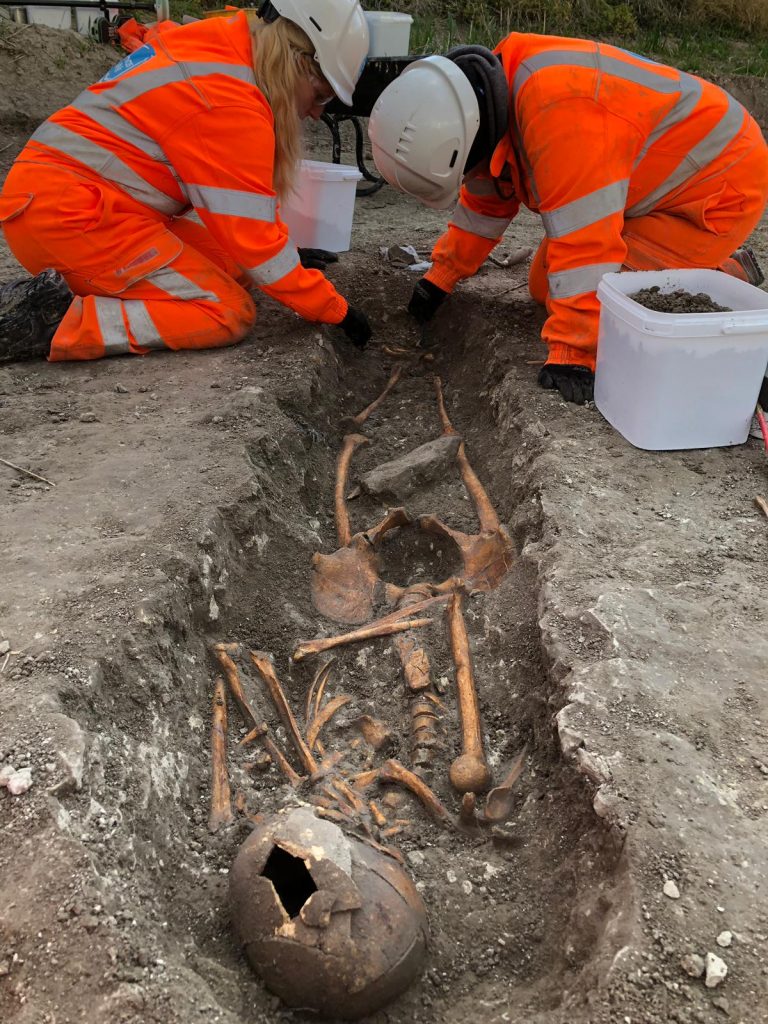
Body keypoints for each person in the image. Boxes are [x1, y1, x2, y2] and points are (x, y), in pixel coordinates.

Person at [367, 39, 768, 403]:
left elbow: (587, 245)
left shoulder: (562, 117)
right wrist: (442, 276)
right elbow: (487, 200)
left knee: (612, 311)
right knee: (545, 285)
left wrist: (573, 354)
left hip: (714, 190)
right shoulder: (483, 94)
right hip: (648, 188)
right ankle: (695, 270)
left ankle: (722, 274)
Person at [0, 0, 372, 364]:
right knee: (224, 310)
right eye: (321, 94)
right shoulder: (227, 104)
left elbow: (248, 222)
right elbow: (255, 242)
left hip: (69, 199)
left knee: (233, 265)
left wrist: (289, 259)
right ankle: (51, 324)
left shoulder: (223, 45)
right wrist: (330, 307)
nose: (316, 112)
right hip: (66, 217)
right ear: (297, 62)